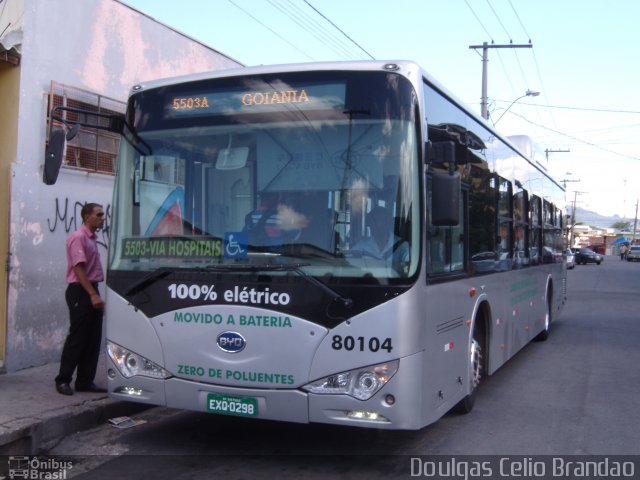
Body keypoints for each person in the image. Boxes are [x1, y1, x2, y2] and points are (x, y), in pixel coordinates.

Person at [54, 203, 107, 395]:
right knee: (77, 337)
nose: (103, 217)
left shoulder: (92, 238)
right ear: (86, 217)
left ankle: (85, 381)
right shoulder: (78, 237)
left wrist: (95, 293)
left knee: (93, 338)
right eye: (99, 214)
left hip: (91, 288)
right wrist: (92, 295)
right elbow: (78, 268)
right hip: (80, 291)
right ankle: (63, 380)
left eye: (103, 214)